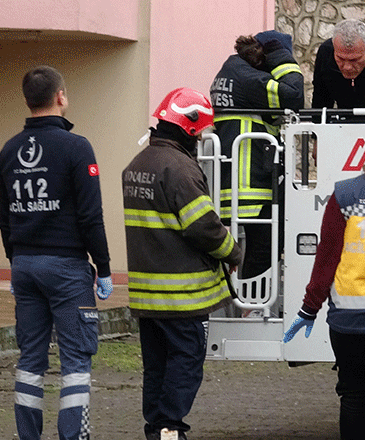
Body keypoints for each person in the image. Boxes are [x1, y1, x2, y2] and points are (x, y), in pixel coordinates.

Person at [0, 65, 112, 440]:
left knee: (30, 361)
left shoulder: (8, 151)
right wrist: (105, 268)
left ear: (28, 100)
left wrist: (15, 263)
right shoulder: (78, 148)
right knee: (75, 361)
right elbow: (91, 215)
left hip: (25, 266)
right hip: (67, 269)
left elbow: (4, 216)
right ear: (61, 97)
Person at [123, 88, 242, 440]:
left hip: (147, 296)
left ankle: (156, 428)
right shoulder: (179, 168)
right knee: (186, 362)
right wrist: (233, 253)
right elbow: (204, 227)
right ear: (188, 129)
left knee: (156, 367)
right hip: (182, 295)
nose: (201, 139)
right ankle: (170, 427)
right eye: (201, 132)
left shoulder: (137, 165)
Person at [283, 118, 365, 440]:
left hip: (350, 319)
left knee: (354, 397)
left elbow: (327, 259)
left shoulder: (346, 193)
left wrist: (308, 309)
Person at [211, 30, 303, 279]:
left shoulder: (234, 71)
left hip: (241, 179)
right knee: (267, 244)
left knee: (261, 243)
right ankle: (249, 304)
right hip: (249, 182)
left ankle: (245, 298)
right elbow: (294, 96)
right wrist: (284, 60)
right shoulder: (249, 78)